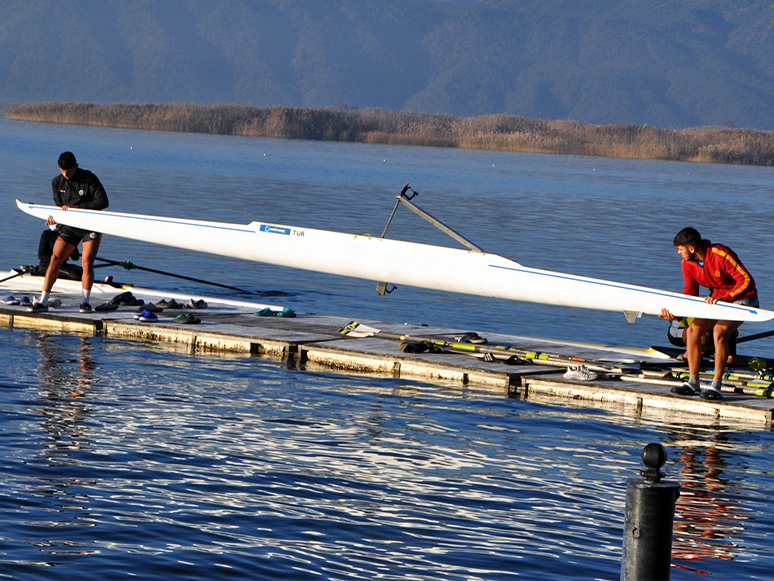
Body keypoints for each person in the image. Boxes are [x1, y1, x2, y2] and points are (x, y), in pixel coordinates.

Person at [660, 227, 758, 400]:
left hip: (743, 300)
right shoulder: (687, 264)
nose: (678, 253)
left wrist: (726, 297)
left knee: (718, 332)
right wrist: (677, 315)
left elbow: (747, 280)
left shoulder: (721, 254)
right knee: (692, 331)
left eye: (680, 249)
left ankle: (716, 386)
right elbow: (690, 295)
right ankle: (693, 383)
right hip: (717, 301)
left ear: (691, 248)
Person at [29, 152, 109, 313]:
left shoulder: (89, 179)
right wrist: (54, 221)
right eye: (62, 171)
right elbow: (59, 209)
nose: (66, 175)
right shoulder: (56, 183)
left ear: (76, 166)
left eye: (69, 172)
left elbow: (103, 202)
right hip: (71, 226)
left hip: (91, 225)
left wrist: (80, 208)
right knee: (55, 258)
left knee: (87, 261)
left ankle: (85, 302)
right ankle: (44, 301)